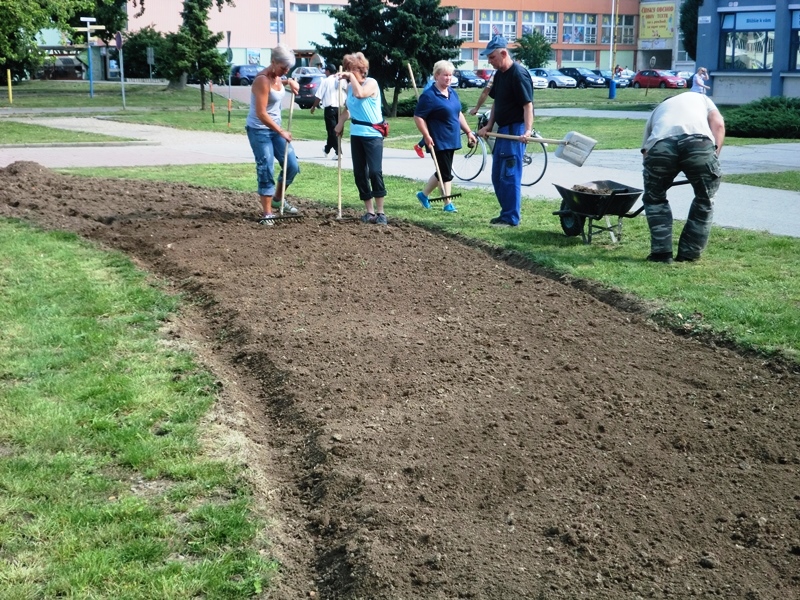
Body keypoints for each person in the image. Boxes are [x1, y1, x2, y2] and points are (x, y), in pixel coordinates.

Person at [641, 92, 725, 263]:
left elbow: (646, 152)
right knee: (704, 200)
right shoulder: (701, 98)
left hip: (661, 145)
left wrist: (655, 180)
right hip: (699, 142)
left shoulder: (657, 111)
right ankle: (688, 254)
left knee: (655, 198)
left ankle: (661, 254)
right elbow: (718, 125)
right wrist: (713, 158)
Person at [476, 35, 534, 227]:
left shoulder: (518, 74)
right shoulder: (499, 75)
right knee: (497, 176)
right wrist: (489, 125)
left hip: (515, 130)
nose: (489, 61)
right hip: (502, 130)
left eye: (492, 57)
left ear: (503, 53)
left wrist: (527, 131)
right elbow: (496, 103)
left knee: (509, 175)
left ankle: (511, 218)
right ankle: (505, 214)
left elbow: (527, 105)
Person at [245, 44, 301, 225]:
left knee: (292, 166)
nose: (286, 71)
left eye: (288, 68)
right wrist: (281, 131)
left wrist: (289, 81)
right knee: (266, 168)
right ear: (273, 61)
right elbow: (261, 113)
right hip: (259, 130)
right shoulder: (261, 80)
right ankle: (267, 213)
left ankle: (277, 198)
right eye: (283, 67)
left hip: (275, 129)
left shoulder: (277, 78)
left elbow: (276, 85)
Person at [413, 60, 478, 214]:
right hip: (437, 139)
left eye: (450, 75)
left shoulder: (452, 93)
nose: (448, 78)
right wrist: (426, 135)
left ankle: (423, 195)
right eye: (445, 75)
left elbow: (458, 113)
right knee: (445, 172)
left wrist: (468, 132)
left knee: (443, 170)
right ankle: (448, 203)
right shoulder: (429, 96)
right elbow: (418, 117)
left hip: (452, 138)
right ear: (436, 76)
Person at [335, 52, 388, 225]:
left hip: (373, 135)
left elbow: (361, 94)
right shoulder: (350, 87)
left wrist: (350, 77)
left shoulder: (371, 83)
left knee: (374, 172)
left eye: (352, 70)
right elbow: (349, 109)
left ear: (361, 69)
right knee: (360, 173)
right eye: (347, 69)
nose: (349, 73)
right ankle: (370, 211)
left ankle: (381, 212)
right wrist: (340, 123)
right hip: (356, 134)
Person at [310, 64, 342, 159]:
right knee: (334, 131)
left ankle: (338, 152)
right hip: (339, 109)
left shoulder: (326, 81)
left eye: (325, 70)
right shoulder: (340, 80)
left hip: (330, 109)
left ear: (328, 71)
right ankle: (327, 149)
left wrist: (313, 107)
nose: (324, 72)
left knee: (332, 131)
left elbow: (319, 96)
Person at [413, 76, 435, 158]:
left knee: (431, 132)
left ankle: (419, 146)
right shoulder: (431, 85)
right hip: (430, 112)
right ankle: (419, 146)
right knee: (431, 132)